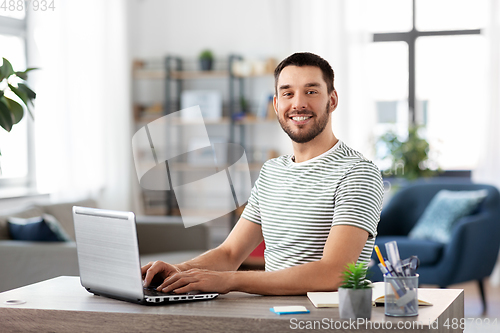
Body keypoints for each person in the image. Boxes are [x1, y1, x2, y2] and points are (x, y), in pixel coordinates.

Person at [142, 52, 383, 295]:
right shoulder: (272, 171)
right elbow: (230, 253)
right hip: (272, 314)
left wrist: (230, 281)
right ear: (277, 104)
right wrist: (178, 270)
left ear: (332, 100)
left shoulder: (358, 173)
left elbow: (335, 273)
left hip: (325, 319)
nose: (298, 103)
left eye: (311, 91)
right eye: (288, 93)